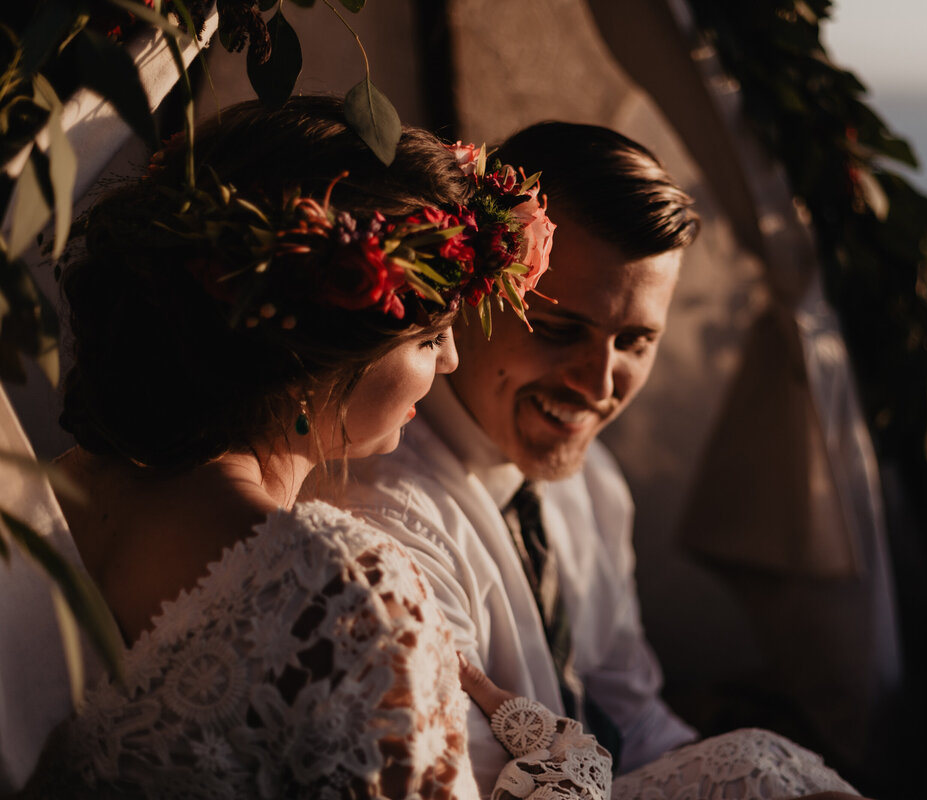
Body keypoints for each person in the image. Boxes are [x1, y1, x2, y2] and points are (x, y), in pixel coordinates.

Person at [19, 97, 612, 800]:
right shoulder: (343, 593)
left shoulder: (55, 487)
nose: (452, 360)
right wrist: (569, 774)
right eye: (429, 338)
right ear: (307, 359)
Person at [338, 122, 860, 799]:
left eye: (636, 341)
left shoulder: (596, 483)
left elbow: (632, 719)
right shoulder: (386, 528)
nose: (600, 385)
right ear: (470, 295)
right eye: (561, 330)